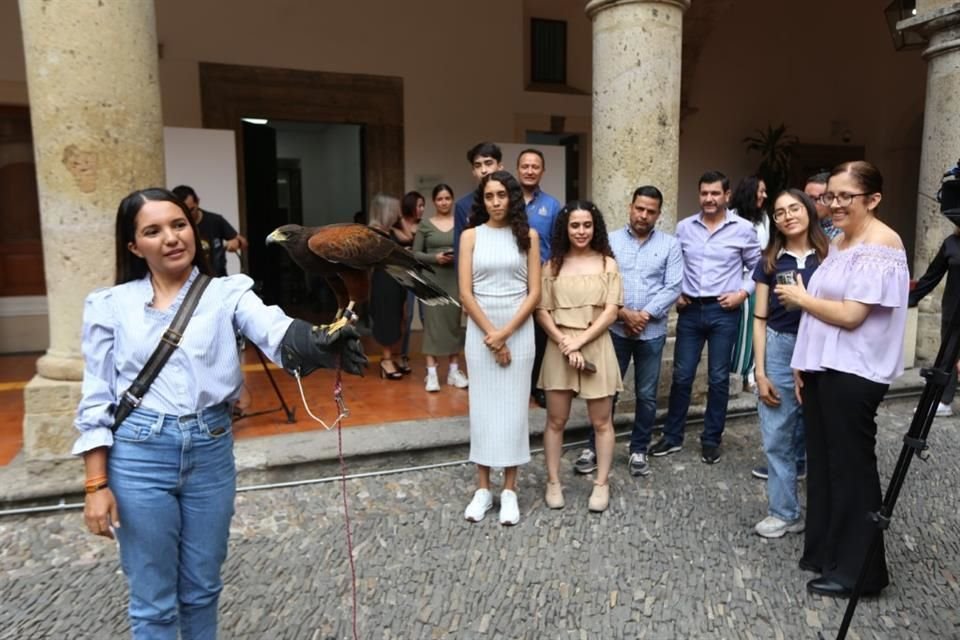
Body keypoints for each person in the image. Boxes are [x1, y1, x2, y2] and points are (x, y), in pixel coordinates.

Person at [75, 188, 365, 638]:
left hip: (210, 454)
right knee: (153, 602)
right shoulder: (109, 306)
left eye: (178, 225)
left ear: (194, 230)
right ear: (134, 246)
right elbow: (96, 399)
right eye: (152, 231)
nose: (171, 238)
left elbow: (273, 329)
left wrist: (318, 342)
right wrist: (96, 485)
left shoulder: (229, 292)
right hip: (139, 457)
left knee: (203, 589)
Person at [778, 160, 908, 597]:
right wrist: (803, 361)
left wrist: (799, 297)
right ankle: (826, 552)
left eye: (844, 197)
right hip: (824, 369)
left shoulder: (882, 244)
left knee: (851, 468)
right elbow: (824, 315)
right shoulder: (839, 241)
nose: (833, 205)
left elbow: (851, 316)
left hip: (854, 373)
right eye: (829, 196)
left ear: (872, 199)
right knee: (824, 463)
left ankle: (861, 573)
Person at [649, 170, 761, 464]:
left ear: (727, 196)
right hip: (690, 310)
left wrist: (742, 293)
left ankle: (711, 439)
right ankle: (672, 437)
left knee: (719, 378)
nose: (709, 199)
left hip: (724, 311)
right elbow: (673, 265)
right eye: (704, 193)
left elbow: (758, 267)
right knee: (682, 376)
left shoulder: (743, 229)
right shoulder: (684, 228)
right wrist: (677, 293)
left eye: (715, 193)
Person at [573, 186, 682, 479]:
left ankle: (638, 449)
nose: (643, 215)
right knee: (605, 392)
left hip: (652, 331)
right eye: (639, 208)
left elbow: (672, 286)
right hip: (615, 331)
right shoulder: (609, 241)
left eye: (650, 211)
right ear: (630, 206)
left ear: (659, 214)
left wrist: (644, 315)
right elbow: (599, 281)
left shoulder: (670, 245)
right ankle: (593, 448)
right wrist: (623, 314)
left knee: (646, 395)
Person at [458, 170, 541, 526]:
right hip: (480, 329)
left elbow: (534, 292)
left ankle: (509, 490)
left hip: (519, 329)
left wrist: (505, 333)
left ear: (512, 198)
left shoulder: (529, 236)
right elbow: (465, 292)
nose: (495, 202)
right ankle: (482, 489)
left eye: (501, 196)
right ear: (483, 200)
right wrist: (492, 335)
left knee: (512, 413)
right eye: (489, 196)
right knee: (483, 410)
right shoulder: (469, 236)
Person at [751, 189, 828, 539]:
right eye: (779, 212)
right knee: (777, 432)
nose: (787, 216)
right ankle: (784, 512)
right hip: (781, 346)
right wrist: (760, 371)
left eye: (794, 208)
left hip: (825, 346)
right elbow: (759, 319)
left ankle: (828, 513)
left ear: (809, 210)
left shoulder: (831, 255)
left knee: (824, 433)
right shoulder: (769, 261)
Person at [537, 201, 622, 512]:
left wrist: (580, 342)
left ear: (595, 226)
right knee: (556, 419)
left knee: (601, 421)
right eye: (575, 225)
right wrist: (564, 342)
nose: (581, 231)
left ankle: (601, 483)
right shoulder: (552, 266)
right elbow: (542, 311)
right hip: (559, 347)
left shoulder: (608, 265)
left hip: (595, 344)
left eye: (587, 225)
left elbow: (612, 311)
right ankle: (553, 481)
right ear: (565, 228)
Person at [517, 148, 563, 408]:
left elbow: (558, 244)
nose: (530, 170)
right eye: (525, 166)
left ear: (542, 171)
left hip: (542, 280)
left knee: (540, 336)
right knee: (515, 333)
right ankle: (516, 386)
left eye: (535, 166)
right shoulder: (508, 203)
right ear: (518, 169)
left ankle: (537, 386)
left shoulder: (552, 205)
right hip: (512, 279)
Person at [412, 184, 467, 391]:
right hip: (432, 279)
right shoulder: (425, 224)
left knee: (454, 325)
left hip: (454, 278)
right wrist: (435, 258)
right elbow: (415, 254)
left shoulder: (461, 223)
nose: (444, 202)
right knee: (433, 326)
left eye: (447, 198)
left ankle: (454, 371)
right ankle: (432, 374)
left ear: (452, 200)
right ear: (434, 202)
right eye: (440, 199)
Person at [909, 224, 960, 417]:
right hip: (953, 311)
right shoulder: (951, 244)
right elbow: (932, 276)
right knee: (947, 356)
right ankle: (944, 401)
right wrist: (910, 299)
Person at [729, 176, 769, 393]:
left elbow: (767, 250)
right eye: (761, 191)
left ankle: (751, 373)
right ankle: (737, 374)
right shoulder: (732, 217)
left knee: (756, 327)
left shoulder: (764, 219)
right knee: (741, 330)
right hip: (738, 282)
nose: (764, 195)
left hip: (760, 281)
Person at [367, 194, 408, 379]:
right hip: (384, 280)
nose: (399, 213)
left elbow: (408, 237)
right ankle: (386, 360)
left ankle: (393, 357)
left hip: (396, 279)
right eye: (395, 210)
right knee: (386, 317)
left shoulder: (389, 230)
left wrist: (397, 222)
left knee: (398, 316)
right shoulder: (373, 232)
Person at [171, 185, 248, 277]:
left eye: (191, 210)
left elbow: (244, 243)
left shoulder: (215, 220)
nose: (188, 215)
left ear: (198, 202)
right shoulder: (172, 227)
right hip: (190, 280)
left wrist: (236, 242)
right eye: (184, 211)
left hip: (217, 278)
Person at [453, 142, 503, 266]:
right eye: (478, 165)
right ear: (473, 171)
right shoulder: (463, 206)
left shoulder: (511, 201)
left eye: (489, 163)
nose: (484, 170)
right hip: (476, 275)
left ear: (500, 167)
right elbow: (459, 253)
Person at [396, 190, 426, 374]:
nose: (422, 209)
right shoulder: (397, 226)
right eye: (419, 205)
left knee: (425, 318)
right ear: (410, 206)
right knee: (405, 319)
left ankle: (433, 358)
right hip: (403, 277)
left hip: (422, 278)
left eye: (423, 206)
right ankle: (402, 355)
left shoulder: (424, 226)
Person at [803, 172, 842, 240]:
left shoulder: (842, 233)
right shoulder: (801, 227)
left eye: (814, 199)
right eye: (806, 198)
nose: (808, 203)